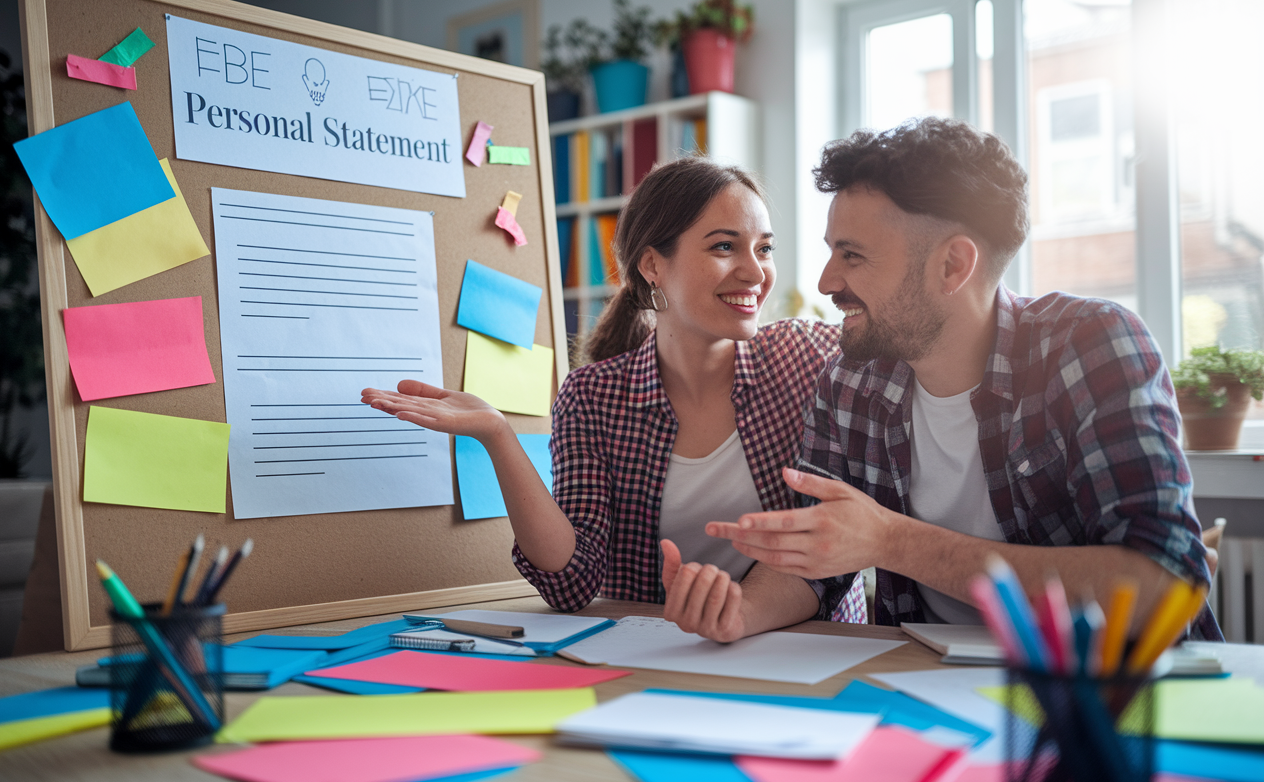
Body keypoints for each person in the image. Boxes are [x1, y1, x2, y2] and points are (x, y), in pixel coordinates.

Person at [708, 117, 1222, 639]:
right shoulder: (850, 380)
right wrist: (738, 613)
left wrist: (893, 540)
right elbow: (814, 559)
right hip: (923, 690)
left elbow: (1165, 584)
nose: (827, 280)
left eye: (853, 255)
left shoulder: (1090, 344)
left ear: (953, 265)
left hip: (1103, 697)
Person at [362, 157, 866, 641]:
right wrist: (498, 435)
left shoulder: (810, 357)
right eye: (724, 247)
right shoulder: (594, 397)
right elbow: (571, 582)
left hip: (810, 649)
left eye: (764, 248)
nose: (755, 273)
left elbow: (832, 543)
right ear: (652, 264)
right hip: (663, 652)